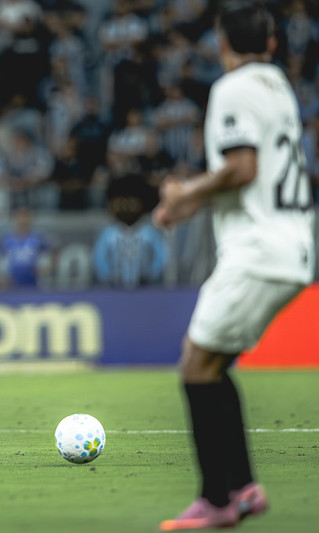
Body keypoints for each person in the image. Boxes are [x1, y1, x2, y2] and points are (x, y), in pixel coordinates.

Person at [153, 2, 314, 529]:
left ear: (222, 45)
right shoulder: (277, 87)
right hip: (293, 246)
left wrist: (184, 193)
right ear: (271, 44)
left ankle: (218, 499)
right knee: (212, 363)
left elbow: (240, 168)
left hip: (258, 250)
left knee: (196, 364)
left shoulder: (234, 87)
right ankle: (243, 489)